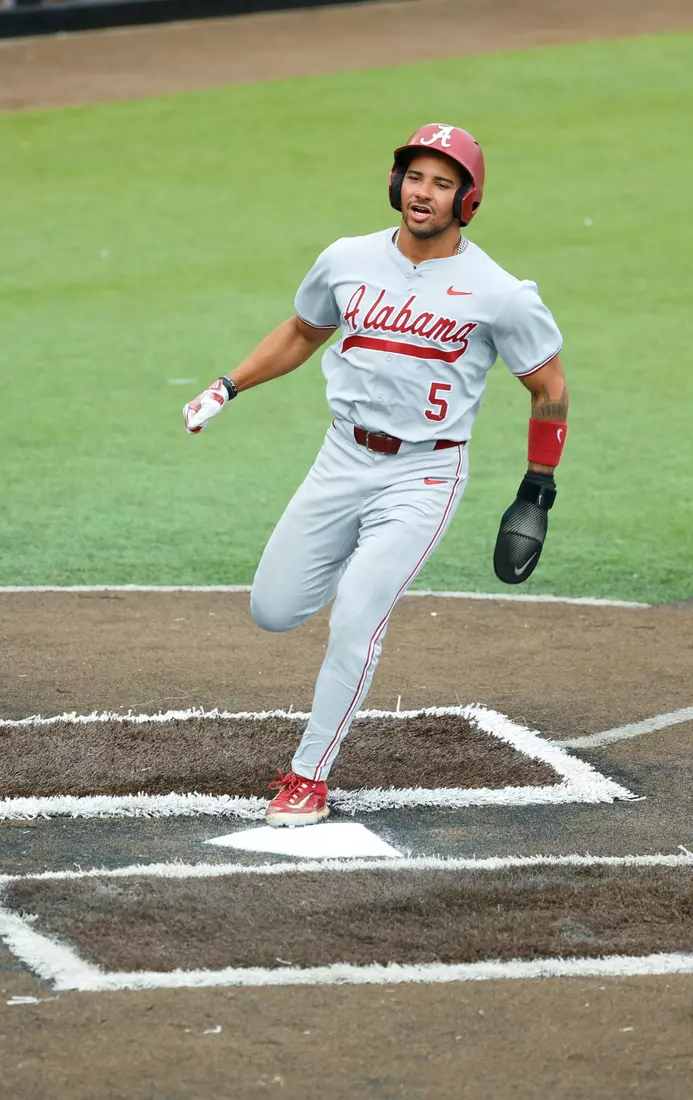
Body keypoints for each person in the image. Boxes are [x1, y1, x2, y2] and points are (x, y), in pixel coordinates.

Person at [183, 122, 569, 827]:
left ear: (467, 200)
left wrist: (536, 488)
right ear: (396, 184)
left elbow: (548, 385)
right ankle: (359, 575)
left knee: (357, 616)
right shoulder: (346, 259)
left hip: (423, 475)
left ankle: (307, 778)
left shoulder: (499, 293)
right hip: (340, 459)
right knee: (273, 609)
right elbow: (303, 331)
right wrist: (228, 385)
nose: (423, 193)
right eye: (415, 177)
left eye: (441, 183)